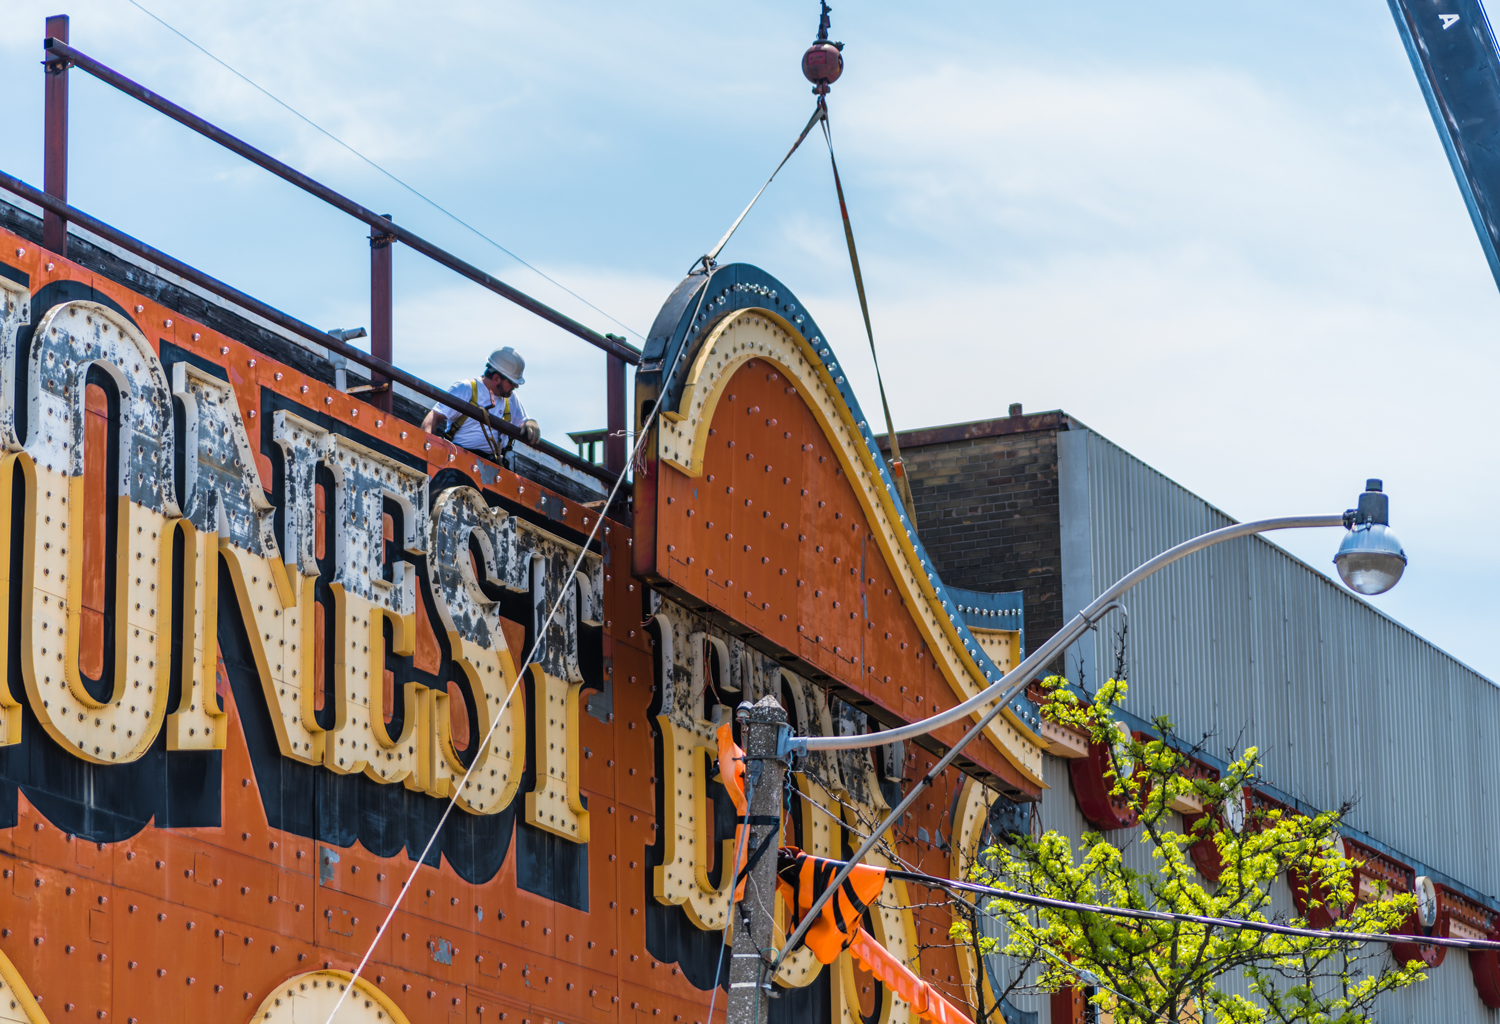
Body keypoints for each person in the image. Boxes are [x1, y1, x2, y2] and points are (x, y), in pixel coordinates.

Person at [422, 347, 541, 460]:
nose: (516, 386)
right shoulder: (466, 389)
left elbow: (522, 423)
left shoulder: (510, 399)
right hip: (458, 460)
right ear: (496, 379)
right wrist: (425, 450)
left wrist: (530, 423)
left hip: (492, 469)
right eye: (512, 382)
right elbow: (434, 418)